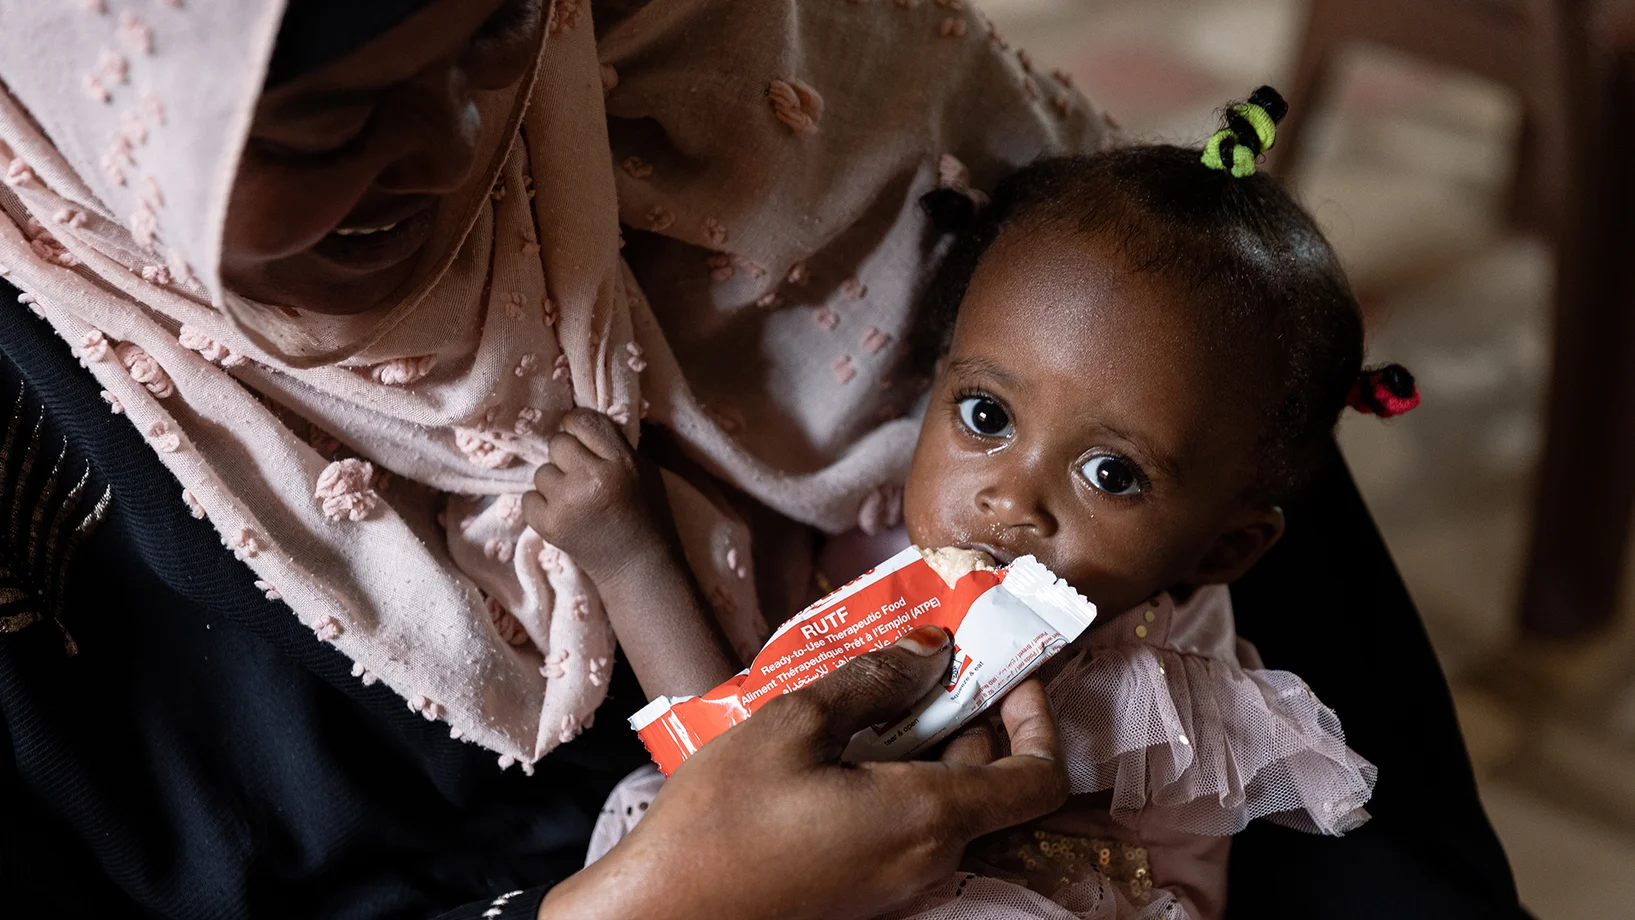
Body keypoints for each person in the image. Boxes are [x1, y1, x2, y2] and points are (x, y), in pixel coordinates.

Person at [0, 1, 1525, 918]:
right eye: (321, 124)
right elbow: (727, 729)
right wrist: (658, 901)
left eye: (493, 36)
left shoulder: (781, 92)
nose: (455, 144)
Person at [532, 88, 1417, 919]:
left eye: (1111, 474)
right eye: (986, 416)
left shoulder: (1122, 698)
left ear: (1220, 552)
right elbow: (739, 756)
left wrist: (628, 558)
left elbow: (726, 773)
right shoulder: (871, 549)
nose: (1009, 497)